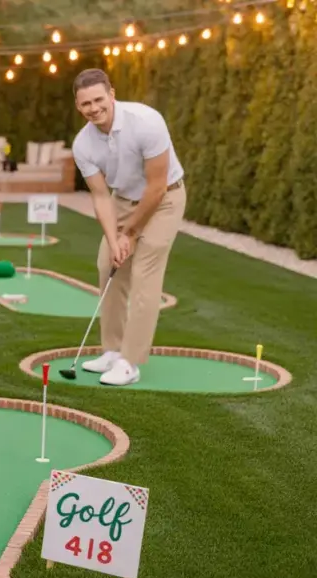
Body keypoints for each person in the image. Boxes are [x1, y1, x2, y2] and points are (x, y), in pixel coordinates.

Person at [70, 68, 186, 386]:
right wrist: (115, 238)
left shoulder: (147, 122)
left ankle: (130, 362)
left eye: (98, 99)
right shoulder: (83, 145)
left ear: (112, 94)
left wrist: (130, 233)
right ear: (78, 107)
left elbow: (157, 187)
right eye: (85, 104)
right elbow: (101, 197)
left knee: (144, 275)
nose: (93, 108)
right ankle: (111, 350)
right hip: (122, 200)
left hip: (165, 200)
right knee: (107, 261)